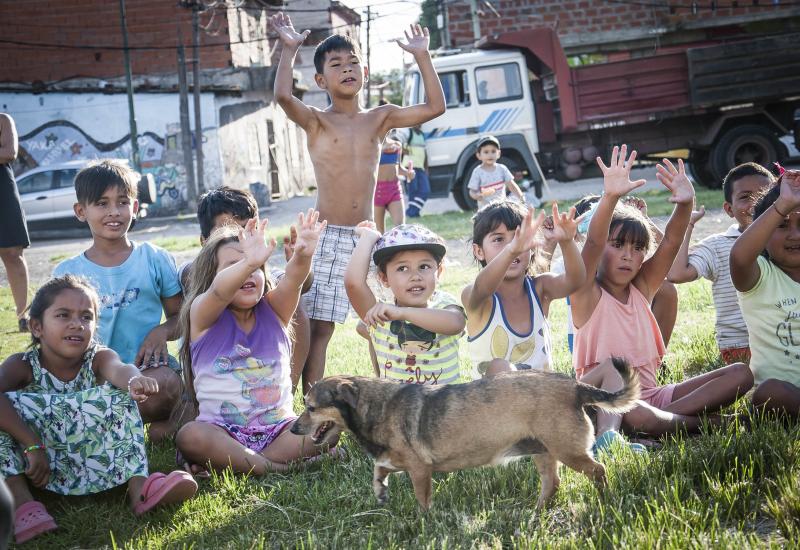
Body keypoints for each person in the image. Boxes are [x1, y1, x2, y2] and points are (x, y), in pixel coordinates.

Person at [270, 12, 445, 389]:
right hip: (329, 235)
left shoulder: (379, 119)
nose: (347, 69)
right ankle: (313, 400)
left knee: (384, 321)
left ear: (364, 71)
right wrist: (288, 49)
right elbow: (283, 96)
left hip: (368, 237)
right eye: (336, 65)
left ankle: (392, 390)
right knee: (319, 328)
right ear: (321, 80)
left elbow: (434, 108)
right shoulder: (316, 120)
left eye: (353, 63)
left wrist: (422, 56)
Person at [570, 145, 753, 446]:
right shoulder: (586, 294)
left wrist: (685, 203)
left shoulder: (642, 288)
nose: (628, 256)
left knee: (741, 375)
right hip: (604, 402)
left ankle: (660, 424)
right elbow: (592, 243)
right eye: (617, 245)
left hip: (652, 397)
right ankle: (697, 425)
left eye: (638, 248)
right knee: (632, 399)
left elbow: (669, 242)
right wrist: (611, 196)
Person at [0, 276, 196, 544]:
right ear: (37, 326)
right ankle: (24, 507)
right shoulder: (21, 365)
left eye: (86, 317)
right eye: (63, 315)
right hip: (37, 462)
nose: (76, 324)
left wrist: (133, 379)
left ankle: (141, 488)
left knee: (120, 396)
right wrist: (31, 444)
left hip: (87, 457)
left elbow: (118, 368)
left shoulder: (96, 357)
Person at [175, 211, 341, 473]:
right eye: (233, 265)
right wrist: (248, 263)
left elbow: (295, 279)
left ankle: (243, 462)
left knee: (329, 424)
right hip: (221, 433)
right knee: (189, 435)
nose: (249, 272)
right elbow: (220, 291)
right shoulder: (203, 316)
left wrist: (304, 254)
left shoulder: (275, 310)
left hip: (280, 430)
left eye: (256, 267)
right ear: (211, 276)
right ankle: (281, 468)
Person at [52, 160, 183, 441]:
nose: (114, 212)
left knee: (167, 385)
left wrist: (161, 331)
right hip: (92, 376)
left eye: (122, 202)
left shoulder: (154, 258)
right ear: (80, 211)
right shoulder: (66, 273)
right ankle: (116, 425)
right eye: (101, 203)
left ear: (135, 208)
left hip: (148, 371)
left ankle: (105, 425)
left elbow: (182, 318)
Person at [183, 186, 312, 394]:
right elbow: (219, 291)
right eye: (228, 231)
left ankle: (288, 391)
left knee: (297, 305)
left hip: (268, 407)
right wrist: (248, 265)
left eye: (247, 229)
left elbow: (297, 283)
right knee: (192, 428)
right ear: (204, 242)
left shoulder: (262, 276)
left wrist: (301, 258)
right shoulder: (195, 279)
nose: (242, 240)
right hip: (216, 398)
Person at [463, 201, 585, 377]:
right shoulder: (475, 296)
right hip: (492, 403)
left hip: (542, 400)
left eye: (519, 237)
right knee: (500, 367)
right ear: (479, 251)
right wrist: (511, 250)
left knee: (609, 371)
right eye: (499, 239)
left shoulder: (541, 288)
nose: (513, 245)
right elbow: (483, 287)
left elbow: (576, 280)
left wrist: (566, 242)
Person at [669, 163, 775, 364]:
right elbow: (677, 274)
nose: (756, 203)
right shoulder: (718, 246)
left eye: (765, 195)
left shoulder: (786, 240)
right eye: (745, 197)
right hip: (740, 347)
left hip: (785, 339)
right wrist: (687, 224)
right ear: (729, 209)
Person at [547, 194, 679, 352]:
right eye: (593, 226)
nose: (600, 234)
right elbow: (542, 285)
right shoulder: (567, 263)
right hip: (591, 348)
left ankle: (657, 359)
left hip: (632, 343)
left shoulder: (626, 256)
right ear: (576, 234)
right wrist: (551, 242)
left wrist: (641, 219)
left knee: (667, 289)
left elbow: (671, 258)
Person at [345, 223, 465, 385]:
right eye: (402, 268)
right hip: (397, 409)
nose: (415, 276)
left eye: (424, 266)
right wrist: (367, 238)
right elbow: (354, 284)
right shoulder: (380, 314)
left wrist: (402, 313)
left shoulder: (443, 304)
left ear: (439, 271)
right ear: (384, 278)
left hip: (445, 407)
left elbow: (456, 323)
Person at [731, 167, 800, 418]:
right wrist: (783, 204)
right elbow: (739, 257)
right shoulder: (759, 277)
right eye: (782, 225)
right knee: (771, 393)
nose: (795, 235)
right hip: (783, 396)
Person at [0, 113, 30, 333]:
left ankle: (23, 315)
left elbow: (8, 152)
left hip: (2, 189)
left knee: (12, 253)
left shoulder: (3, 120)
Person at [467, 135, 525, 210]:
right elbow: (472, 191)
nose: (490, 155)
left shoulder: (502, 169)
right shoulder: (477, 172)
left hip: (501, 208)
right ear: (479, 155)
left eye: (493, 151)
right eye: (486, 152)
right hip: (485, 209)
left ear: (499, 154)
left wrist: (521, 198)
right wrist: (477, 196)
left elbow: (512, 186)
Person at [375, 136, 414, 234]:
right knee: (379, 234)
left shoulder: (397, 145)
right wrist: (381, 149)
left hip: (394, 189)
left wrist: (408, 173)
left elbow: (399, 168)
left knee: (401, 229)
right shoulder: (371, 145)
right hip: (376, 192)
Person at [399, 123, 430, 218]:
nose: (419, 124)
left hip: (420, 167)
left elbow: (424, 152)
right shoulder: (409, 133)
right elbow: (398, 145)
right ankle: (414, 213)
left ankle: (411, 212)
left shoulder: (421, 135)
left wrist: (426, 167)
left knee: (425, 191)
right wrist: (405, 151)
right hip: (410, 167)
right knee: (413, 191)